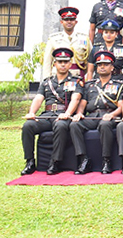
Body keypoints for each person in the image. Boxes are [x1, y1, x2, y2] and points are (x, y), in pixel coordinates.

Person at [21, 47, 83, 175]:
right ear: (54, 64)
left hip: (63, 115)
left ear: (70, 64)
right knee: (28, 126)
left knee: (60, 126)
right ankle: (30, 161)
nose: (62, 64)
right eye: (60, 62)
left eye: (65, 62)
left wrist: (67, 114)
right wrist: (32, 112)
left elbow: (75, 99)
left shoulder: (76, 81)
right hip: (47, 115)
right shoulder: (46, 82)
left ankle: (55, 162)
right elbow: (39, 98)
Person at [70, 50, 123, 175]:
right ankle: (84, 159)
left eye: (105, 64)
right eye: (99, 65)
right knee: (74, 125)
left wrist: (112, 115)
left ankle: (106, 160)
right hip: (92, 116)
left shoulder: (119, 85)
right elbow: (83, 103)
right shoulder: (89, 85)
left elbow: (121, 106)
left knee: (105, 125)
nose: (102, 67)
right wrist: (79, 113)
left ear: (112, 67)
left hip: (109, 115)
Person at [42, 7, 92, 80]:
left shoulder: (84, 39)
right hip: (58, 78)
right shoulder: (53, 39)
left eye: (72, 20)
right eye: (66, 20)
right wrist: (47, 80)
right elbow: (47, 62)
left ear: (76, 22)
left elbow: (90, 60)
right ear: (61, 22)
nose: (69, 22)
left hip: (77, 77)